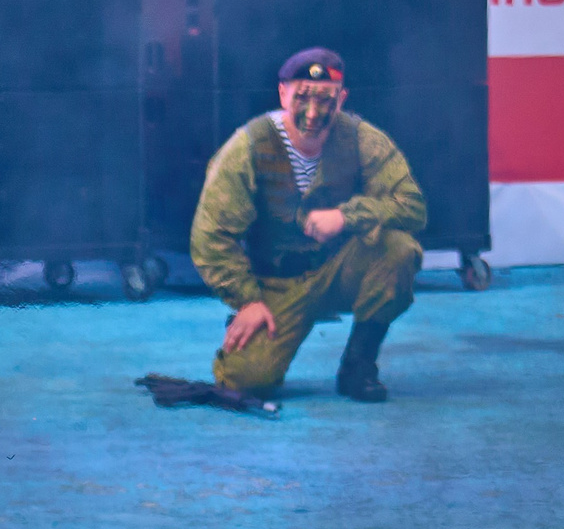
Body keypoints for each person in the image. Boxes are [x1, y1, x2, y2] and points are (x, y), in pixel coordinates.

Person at [174, 48, 427, 407]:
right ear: (282, 94)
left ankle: (359, 365)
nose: (312, 113)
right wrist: (247, 299)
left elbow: (412, 206)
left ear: (341, 99)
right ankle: (249, 324)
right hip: (278, 284)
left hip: (338, 270)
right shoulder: (248, 146)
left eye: (325, 100)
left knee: (398, 249)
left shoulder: (361, 139)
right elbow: (210, 235)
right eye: (302, 97)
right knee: (245, 380)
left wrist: (347, 215)